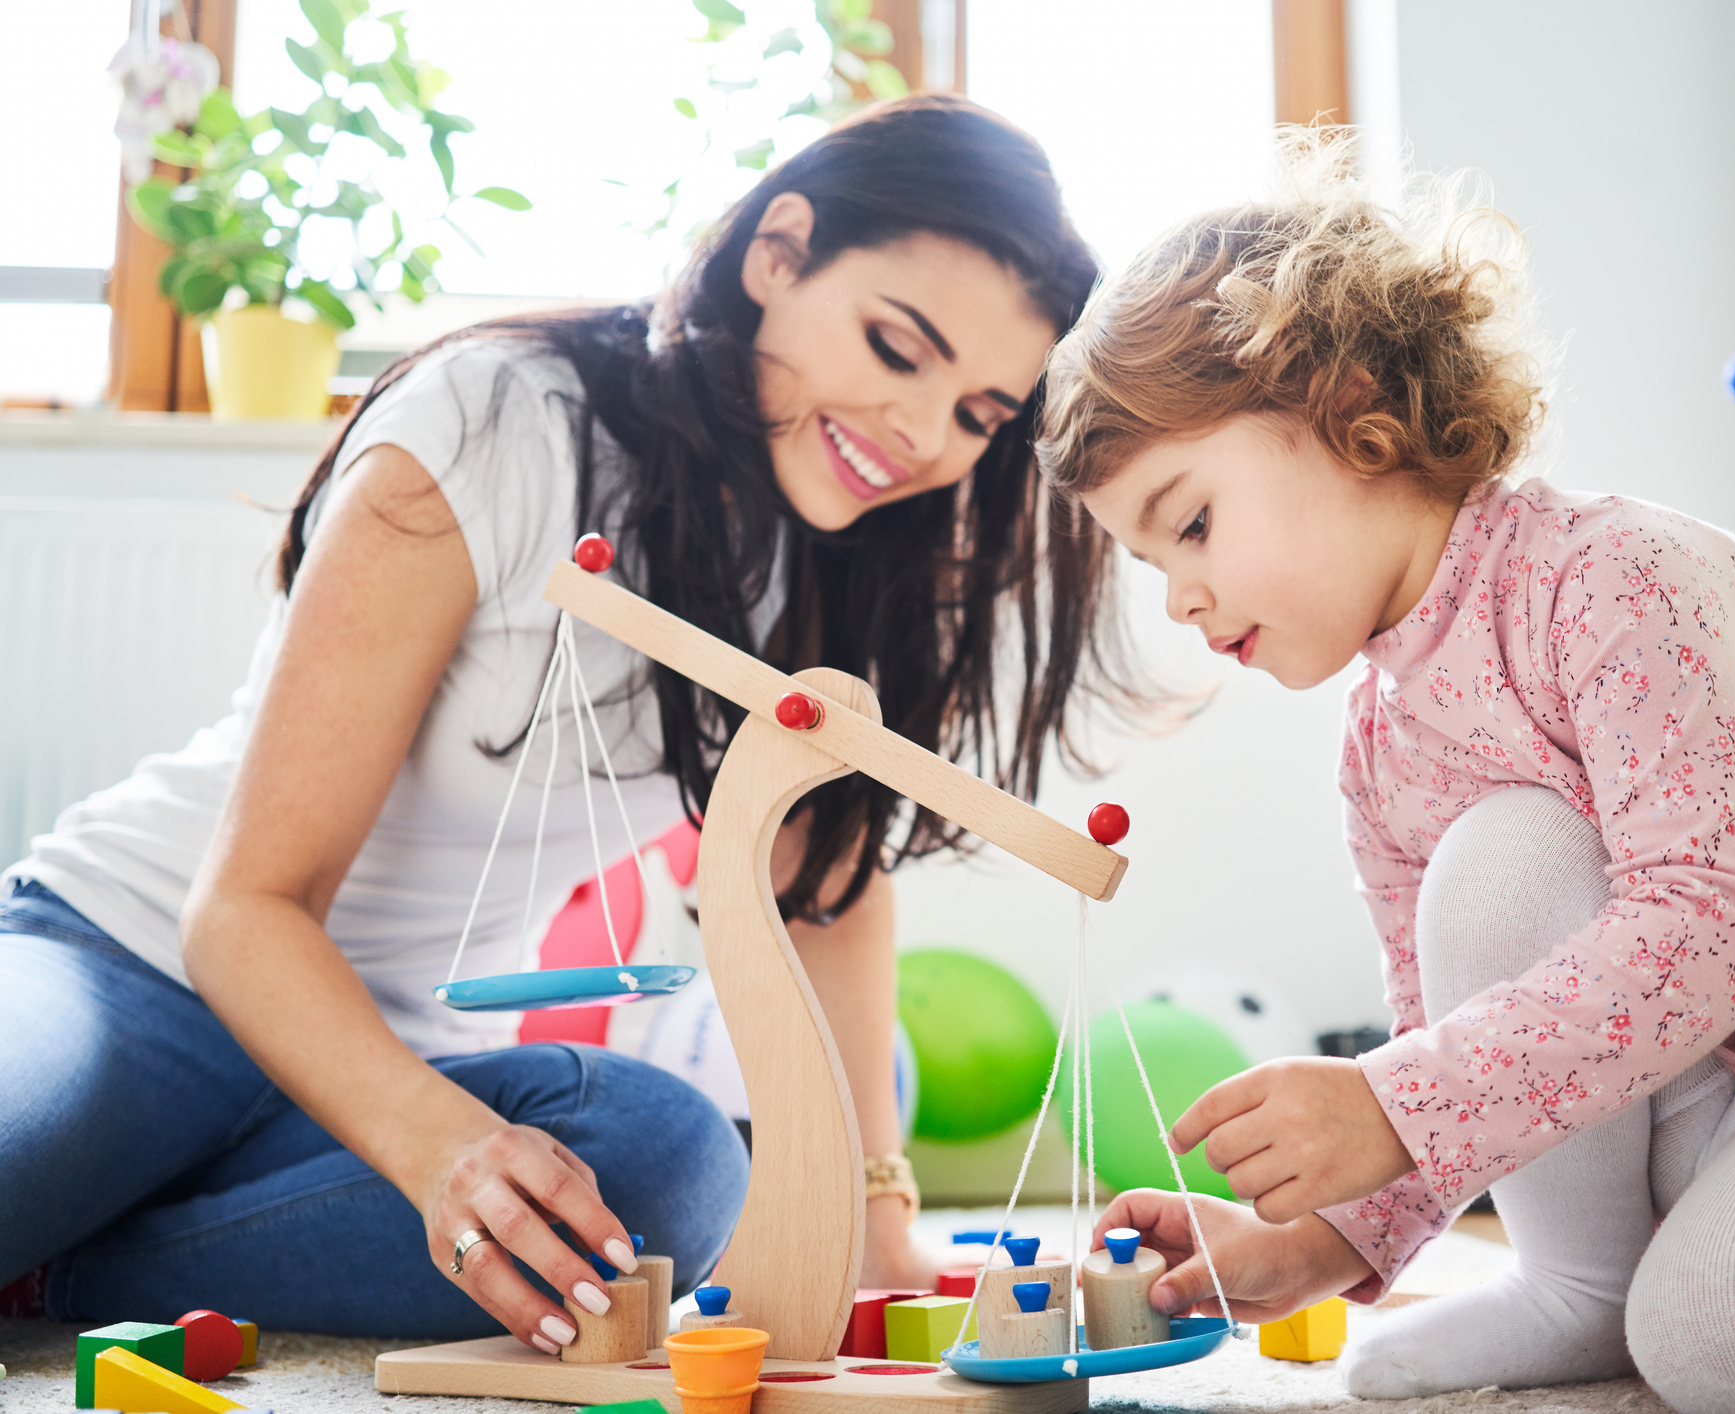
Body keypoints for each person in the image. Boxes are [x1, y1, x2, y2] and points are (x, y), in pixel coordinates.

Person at [0, 95, 1111, 1352]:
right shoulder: (499, 419)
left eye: (977, 415)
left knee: (663, 1165)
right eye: (897, 347)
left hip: (379, 1062)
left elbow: (824, 893)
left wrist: (873, 1216)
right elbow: (243, 909)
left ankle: (71, 1267)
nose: (922, 434)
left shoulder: (842, 565)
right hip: (131, 966)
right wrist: (443, 1157)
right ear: (778, 251)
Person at [1040, 147, 1735, 1414]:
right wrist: (1325, 1242)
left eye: (1192, 521)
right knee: (1500, 863)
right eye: (1145, 560)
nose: (1179, 596)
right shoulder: (1380, 740)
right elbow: (1441, 1037)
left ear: (1350, 412)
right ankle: (1579, 1283)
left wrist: (1395, 1102)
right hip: (1731, 1073)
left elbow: (1707, 920)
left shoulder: (1617, 582)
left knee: (1723, 1342)